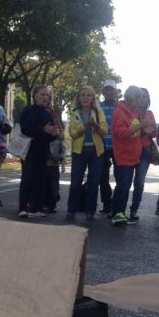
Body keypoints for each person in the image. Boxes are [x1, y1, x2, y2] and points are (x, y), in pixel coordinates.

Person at [66, 85, 108, 221]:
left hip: (97, 152)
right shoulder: (74, 112)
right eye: (82, 95)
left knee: (94, 182)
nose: (85, 97)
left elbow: (105, 130)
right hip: (79, 151)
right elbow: (72, 133)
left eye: (89, 95)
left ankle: (90, 211)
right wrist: (83, 128)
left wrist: (95, 125)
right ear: (78, 98)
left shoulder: (97, 111)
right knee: (76, 181)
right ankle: (71, 210)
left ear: (93, 98)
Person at [18, 85, 58, 218]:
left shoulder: (48, 114)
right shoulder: (28, 111)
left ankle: (35, 208)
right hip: (29, 151)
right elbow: (25, 130)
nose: (45, 97)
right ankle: (23, 208)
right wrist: (42, 129)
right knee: (27, 179)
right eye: (42, 94)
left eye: (47, 95)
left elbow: (50, 137)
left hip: (43, 151)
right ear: (35, 95)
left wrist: (54, 133)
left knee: (40, 181)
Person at [110, 85, 143, 226]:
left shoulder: (133, 112)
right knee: (123, 185)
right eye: (140, 97)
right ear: (132, 98)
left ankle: (116, 212)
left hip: (132, 155)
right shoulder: (120, 112)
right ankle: (119, 214)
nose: (142, 100)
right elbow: (121, 134)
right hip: (123, 155)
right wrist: (140, 126)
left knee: (124, 185)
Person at [127, 88, 157, 222]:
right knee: (125, 181)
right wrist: (143, 129)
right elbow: (126, 130)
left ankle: (134, 211)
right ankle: (118, 209)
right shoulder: (129, 112)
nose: (143, 99)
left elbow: (155, 132)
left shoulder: (150, 114)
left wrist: (148, 131)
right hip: (130, 149)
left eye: (145, 97)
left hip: (145, 150)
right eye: (140, 96)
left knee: (139, 182)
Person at [98, 79, 118, 214]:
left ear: (116, 92)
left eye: (112, 89)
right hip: (102, 146)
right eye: (107, 89)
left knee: (120, 177)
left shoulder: (121, 107)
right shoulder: (98, 106)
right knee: (102, 177)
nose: (109, 92)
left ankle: (117, 204)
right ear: (103, 92)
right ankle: (107, 203)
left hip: (118, 147)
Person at [43, 93, 64, 214]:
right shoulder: (38, 113)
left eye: (49, 99)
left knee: (53, 182)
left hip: (54, 156)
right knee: (44, 181)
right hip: (43, 154)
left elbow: (61, 134)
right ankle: (45, 203)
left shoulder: (54, 116)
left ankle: (53, 202)